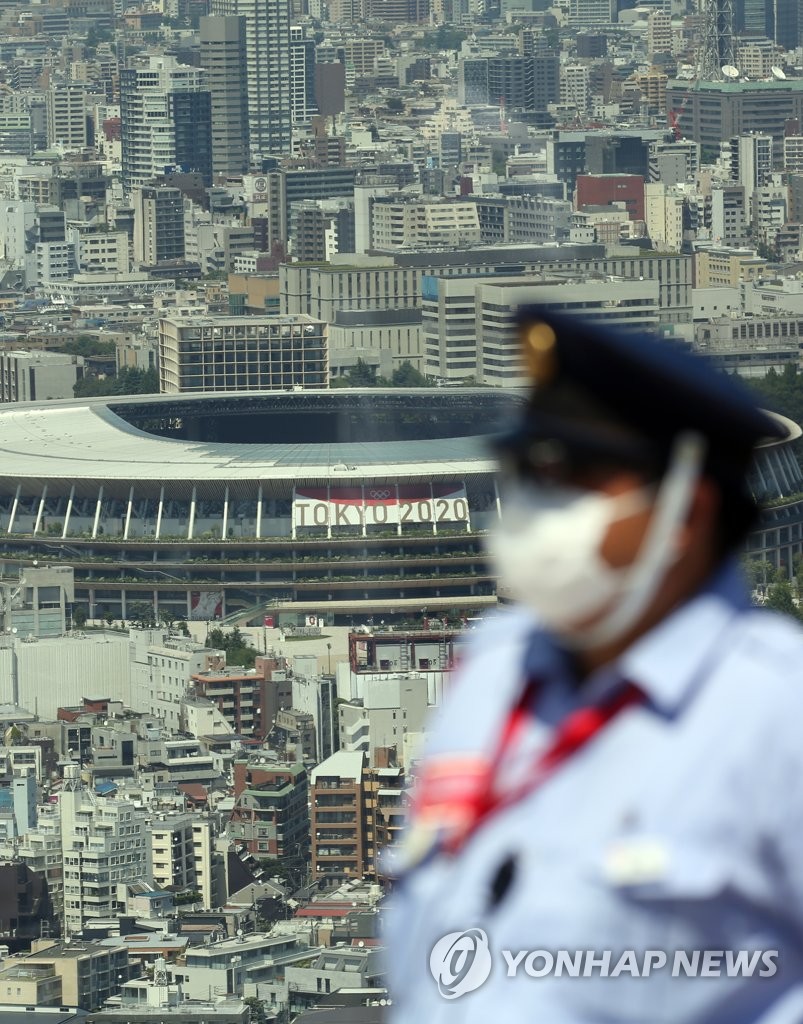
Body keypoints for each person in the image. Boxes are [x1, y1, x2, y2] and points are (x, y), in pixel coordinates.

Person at [385, 306, 803, 1024]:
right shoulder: (493, 668)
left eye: (576, 476)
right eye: (529, 471)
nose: (538, 504)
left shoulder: (774, 713)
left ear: (685, 513)